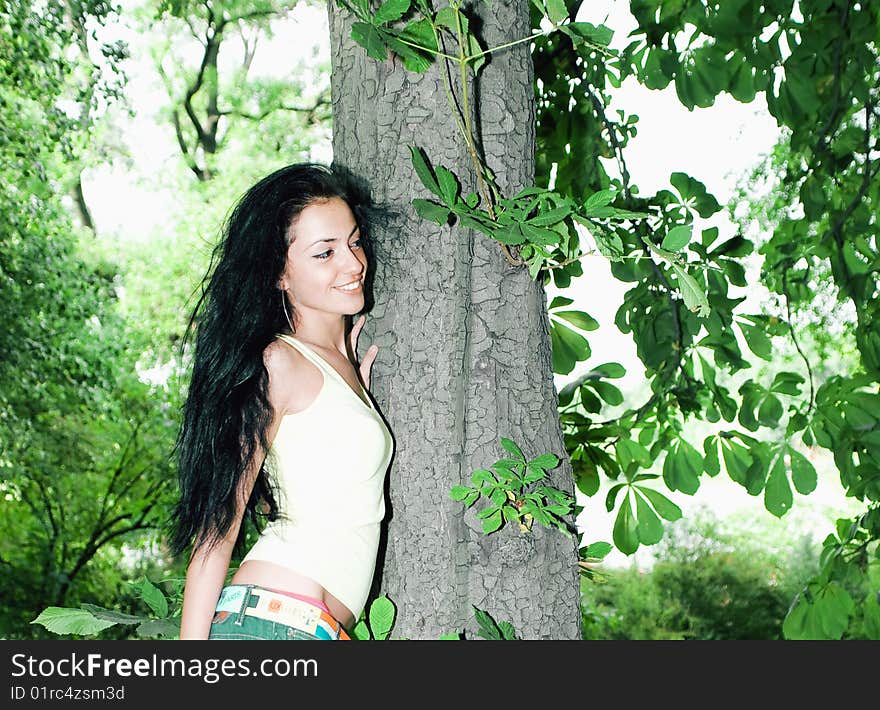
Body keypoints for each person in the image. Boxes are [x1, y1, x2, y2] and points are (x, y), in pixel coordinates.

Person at [168, 163, 393, 640]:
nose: (353, 264)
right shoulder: (278, 364)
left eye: (353, 242)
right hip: (274, 623)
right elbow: (217, 535)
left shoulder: (331, 367)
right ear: (279, 275)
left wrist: (356, 398)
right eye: (324, 253)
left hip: (311, 628)